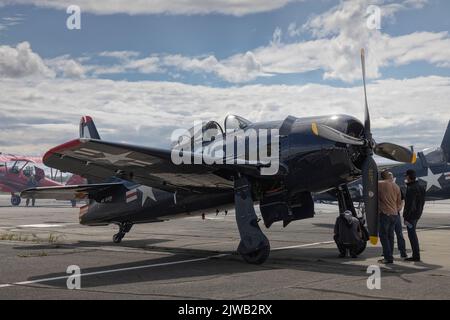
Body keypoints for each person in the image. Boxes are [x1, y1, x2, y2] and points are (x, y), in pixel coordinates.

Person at [378, 170, 403, 264]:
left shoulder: (379, 184)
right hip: (394, 215)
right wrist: (396, 210)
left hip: (385, 214)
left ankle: (388, 257)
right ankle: (390, 256)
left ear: (382, 177)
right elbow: (399, 203)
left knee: (383, 236)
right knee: (391, 236)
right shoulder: (396, 186)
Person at [403, 169, 426, 262]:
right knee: (413, 235)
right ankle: (416, 255)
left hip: (411, 216)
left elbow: (409, 205)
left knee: (412, 235)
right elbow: (422, 202)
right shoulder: (421, 187)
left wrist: (406, 217)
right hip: (417, 214)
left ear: (408, 177)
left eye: (406, 176)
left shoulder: (411, 188)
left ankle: (416, 255)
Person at [388, 173, 408, 258]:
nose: (391, 179)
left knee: (397, 234)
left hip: (394, 214)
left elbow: (402, 200)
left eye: (391, 177)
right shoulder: (384, 188)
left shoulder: (397, 188)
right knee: (391, 235)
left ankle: (402, 252)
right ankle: (389, 252)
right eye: (389, 178)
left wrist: (399, 209)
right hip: (390, 214)